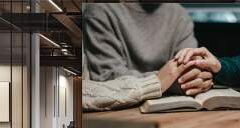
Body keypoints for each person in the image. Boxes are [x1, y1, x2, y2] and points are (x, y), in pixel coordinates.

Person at [82, 3, 213, 111]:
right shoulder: (100, 10)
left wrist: (196, 75)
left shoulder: (179, 14)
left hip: (173, 108)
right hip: (122, 111)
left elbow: (189, 67)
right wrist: (164, 80)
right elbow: (106, 78)